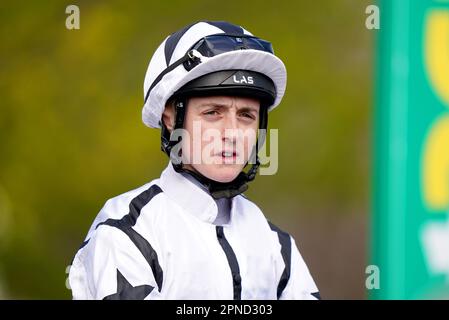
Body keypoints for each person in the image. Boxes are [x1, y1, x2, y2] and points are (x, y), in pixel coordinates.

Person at [68, 21, 319, 300]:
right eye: (213, 112)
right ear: (171, 118)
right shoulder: (127, 230)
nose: (232, 133)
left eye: (246, 115)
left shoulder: (276, 244)